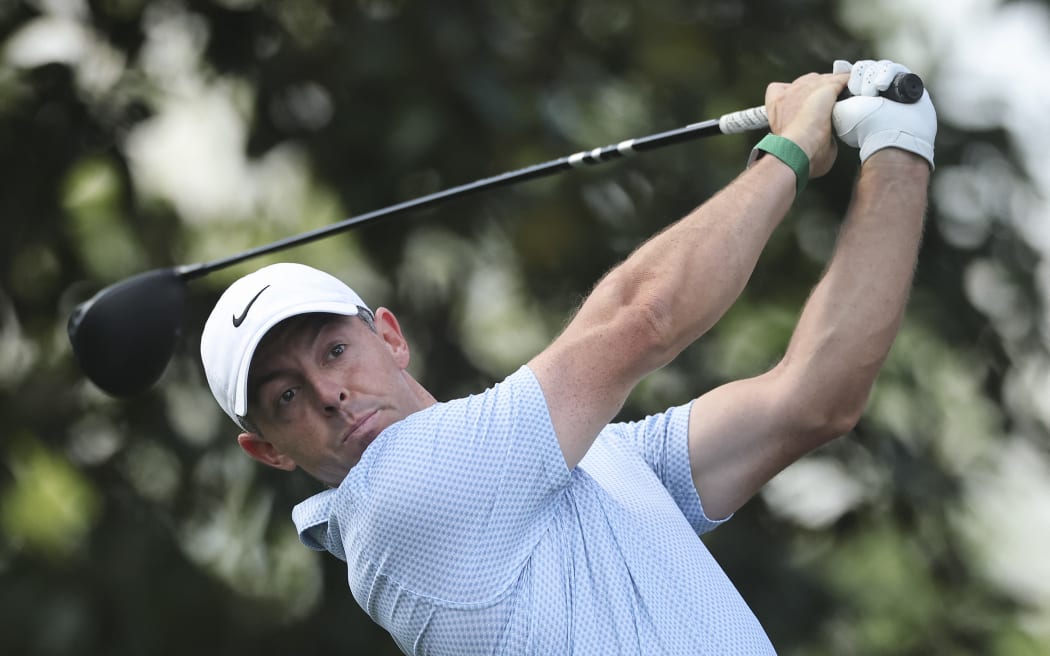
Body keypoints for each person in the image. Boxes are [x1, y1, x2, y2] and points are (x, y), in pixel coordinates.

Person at [200, 59, 936, 654]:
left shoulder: (591, 462)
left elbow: (813, 400)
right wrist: (791, 149)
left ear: (390, 336)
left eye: (334, 349)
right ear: (267, 452)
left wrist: (898, 149)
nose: (329, 393)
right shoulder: (396, 504)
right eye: (286, 397)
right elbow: (640, 319)